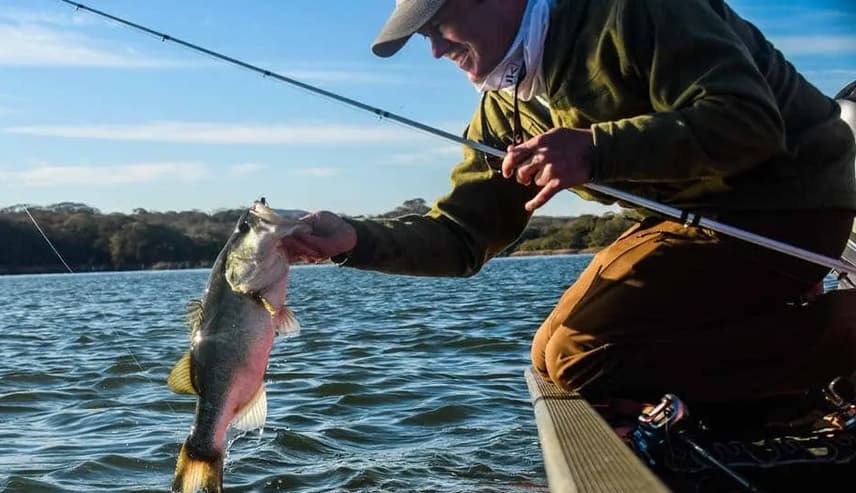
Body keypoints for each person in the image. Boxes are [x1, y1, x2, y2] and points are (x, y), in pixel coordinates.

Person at [282, 0, 856, 405]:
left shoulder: (631, 11)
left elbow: (751, 123)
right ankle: (766, 374)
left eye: (437, 22)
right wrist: (352, 240)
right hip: (698, 225)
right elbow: (461, 236)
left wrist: (598, 150)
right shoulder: (505, 106)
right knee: (551, 355)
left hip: (796, 204)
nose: (431, 49)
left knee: (578, 352)